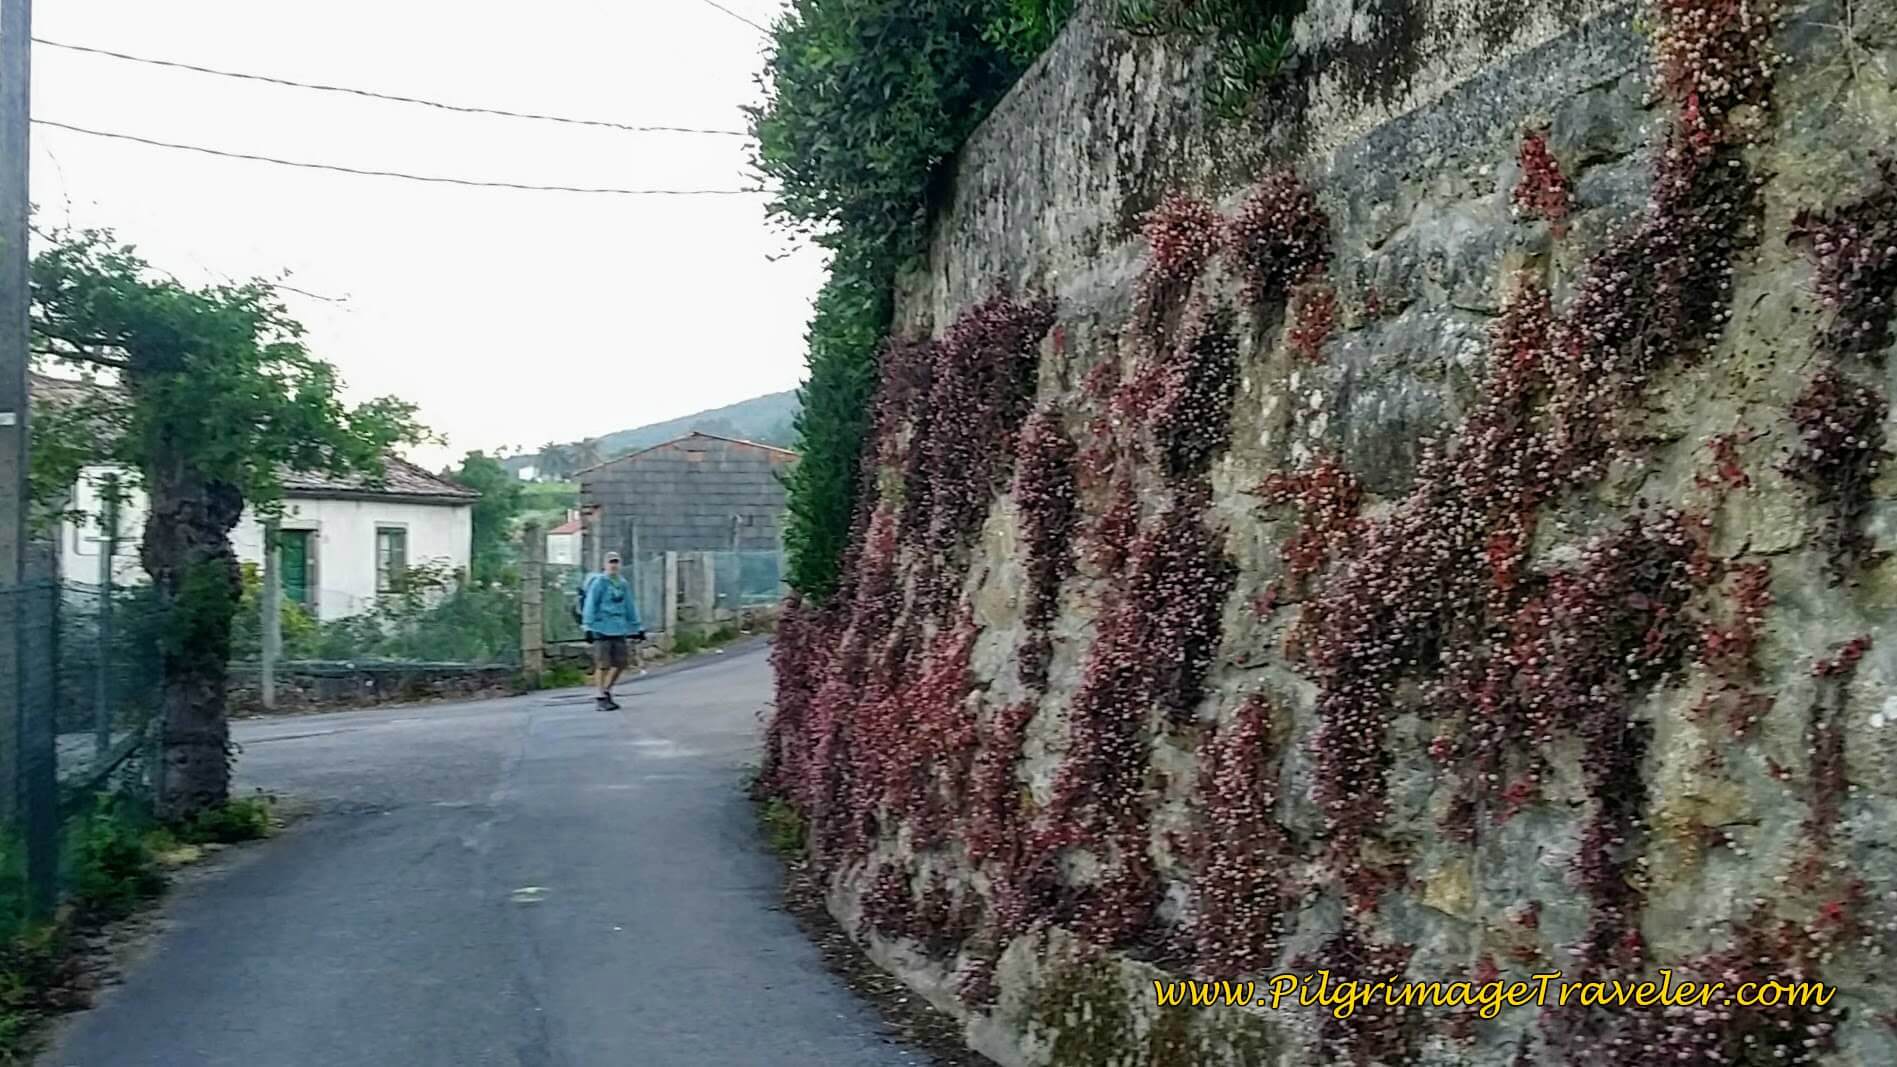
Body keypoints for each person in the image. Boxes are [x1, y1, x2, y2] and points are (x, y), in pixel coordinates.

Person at [582, 552, 644, 710]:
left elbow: (629, 605)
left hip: (619, 628)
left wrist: (637, 627)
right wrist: (588, 627)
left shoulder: (622, 583)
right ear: (605, 564)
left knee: (621, 663)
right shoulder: (599, 583)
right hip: (601, 628)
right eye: (611, 562)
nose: (614, 565)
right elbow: (590, 604)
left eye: (616, 562)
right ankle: (600, 695)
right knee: (603, 664)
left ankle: (607, 690)